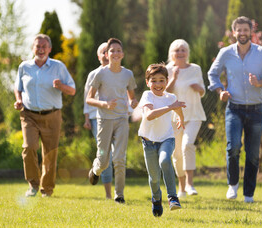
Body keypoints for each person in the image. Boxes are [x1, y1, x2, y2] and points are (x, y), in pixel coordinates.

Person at [208, 16, 262, 203]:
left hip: (256, 110)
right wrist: (220, 91)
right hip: (234, 109)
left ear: (251, 32)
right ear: (233, 33)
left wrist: (260, 83)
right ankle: (232, 184)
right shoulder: (226, 53)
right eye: (238, 30)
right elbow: (212, 74)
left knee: (253, 154)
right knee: (233, 147)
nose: (242, 33)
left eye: (245, 30)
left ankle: (249, 194)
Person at [14, 34, 76, 197]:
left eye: (44, 46)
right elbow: (18, 87)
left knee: (50, 153)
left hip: (52, 115)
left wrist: (61, 86)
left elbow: (72, 90)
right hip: (29, 115)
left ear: (49, 49)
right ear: (33, 48)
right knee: (28, 148)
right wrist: (19, 100)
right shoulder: (24, 66)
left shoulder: (58, 67)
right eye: (38, 46)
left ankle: (46, 189)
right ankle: (33, 185)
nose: (40, 49)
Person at [86, 38, 138, 204]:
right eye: (112, 51)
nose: (115, 53)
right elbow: (89, 99)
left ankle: (119, 195)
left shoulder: (128, 74)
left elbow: (131, 97)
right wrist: (104, 104)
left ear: (122, 54)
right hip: (104, 120)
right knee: (103, 160)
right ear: (107, 55)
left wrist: (134, 103)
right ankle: (95, 170)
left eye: (118, 50)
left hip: (122, 119)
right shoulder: (99, 74)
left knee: (120, 158)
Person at [138, 63, 185, 217]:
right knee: (154, 178)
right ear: (147, 82)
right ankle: (156, 200)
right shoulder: (147, 95)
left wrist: (181, 118)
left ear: (167, 81)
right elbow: (149, 115)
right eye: (154, 81)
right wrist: (170, 108)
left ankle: (173, 197)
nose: (158, 84)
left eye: (161, 80)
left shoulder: (171, 97)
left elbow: (177, 108)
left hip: (167, 138)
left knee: (165, 160)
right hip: (148, 141)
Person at [166, 39, 206, 197]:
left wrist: (199, 88)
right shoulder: (168, 70)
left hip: (194, 115)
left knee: (187, 145)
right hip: (174, 117)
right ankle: (181, 187)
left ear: (187, 53)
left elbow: (202, 92)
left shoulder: (195, 69)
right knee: (176, 153)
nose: (180, 53)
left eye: (183, 50)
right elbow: (164, 94)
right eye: (177, 50)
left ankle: (190, 184)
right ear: (172, 54)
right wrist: (174, 79)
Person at [83, 42, 114, 200]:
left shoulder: (120, 74)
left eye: (109, 51)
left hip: (117, 118)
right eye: (103, 52)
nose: (107, 55)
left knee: (117, 155)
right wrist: (87, 118)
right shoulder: (93, 75)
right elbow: (87, 97)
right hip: (98, 118)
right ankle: (109, 194)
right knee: (105, 155)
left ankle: (118, 193)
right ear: (98, 56)